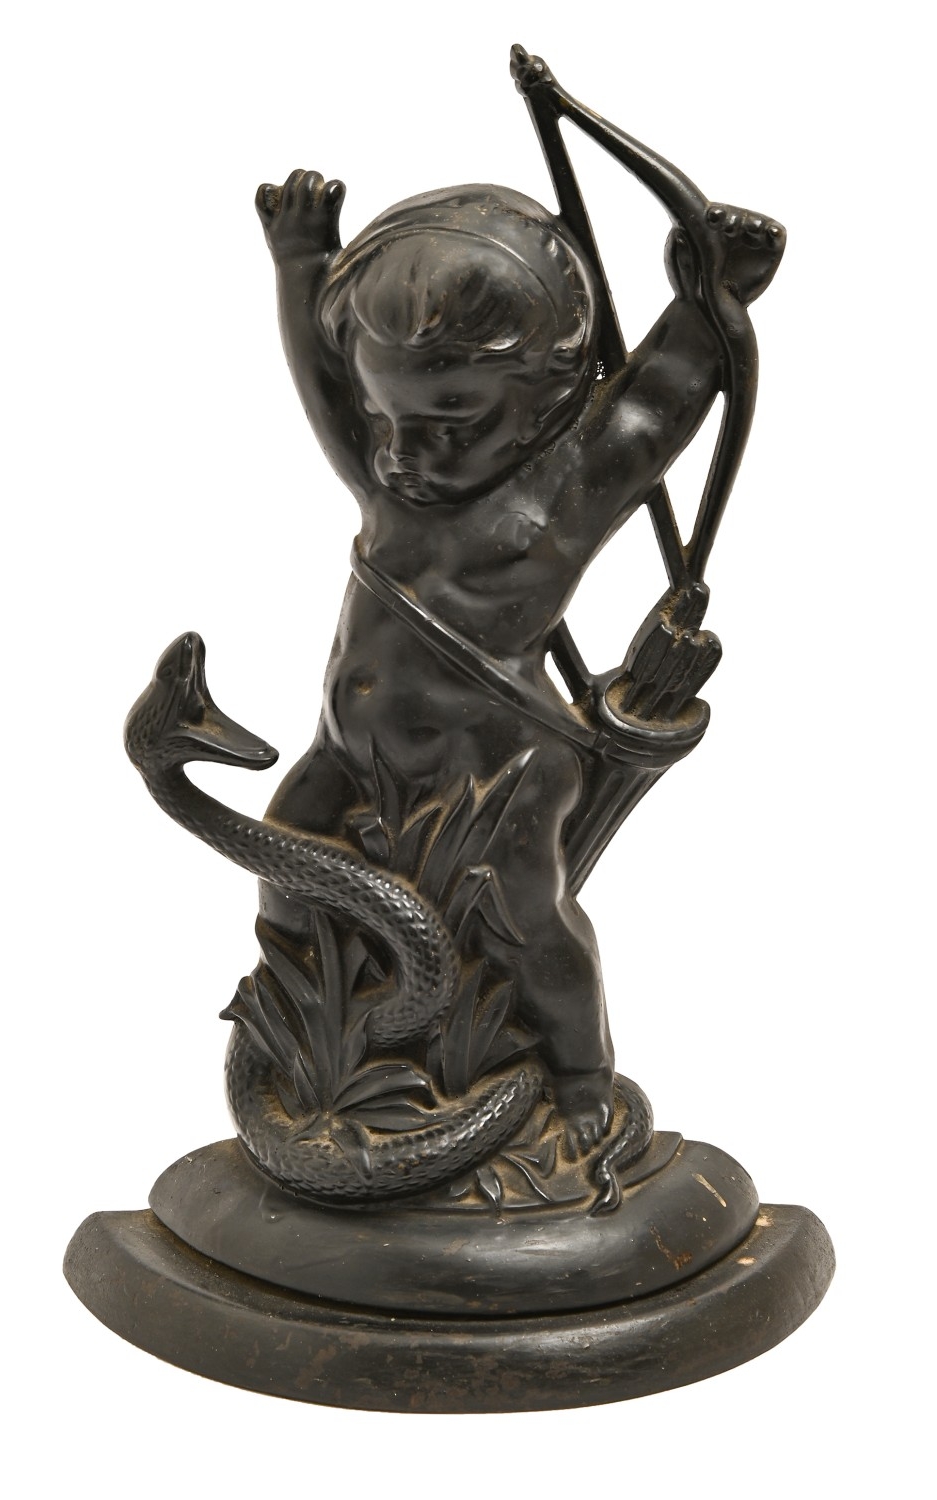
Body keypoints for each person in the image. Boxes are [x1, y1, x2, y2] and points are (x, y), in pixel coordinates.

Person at [254, 101, 783, 1152]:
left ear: (548, 395)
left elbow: (659, 400)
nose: (405, 450)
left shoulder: (561, 494)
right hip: (348, 751)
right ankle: (322, 1044)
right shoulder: (388, 480)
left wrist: (708, 300)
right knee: (284, 873)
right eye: (387, 417)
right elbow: (321, 385)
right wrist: (298, 264)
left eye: (451, 420)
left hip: (497, 768)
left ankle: (580, 1075)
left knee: (526, 923)